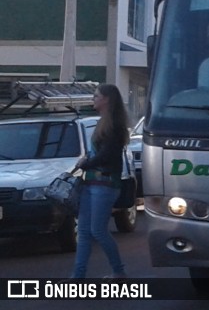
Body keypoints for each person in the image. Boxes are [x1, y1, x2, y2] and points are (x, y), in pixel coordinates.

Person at [72, 84, 129, 279]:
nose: (93, 99)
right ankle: (78, 277)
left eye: (96, 96)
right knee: (85, 231)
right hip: (92, 184)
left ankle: (118, 271)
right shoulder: (104, 123)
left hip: (104, 184)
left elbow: (107, 155)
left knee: (97, 231)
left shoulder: (114, 125)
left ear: (107, 99)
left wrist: (86, 163)